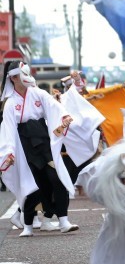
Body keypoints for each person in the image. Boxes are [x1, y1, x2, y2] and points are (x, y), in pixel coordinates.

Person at [0, 61, 78, 237]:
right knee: (33, 185)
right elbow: (9, 130)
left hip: (43, 141)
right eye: (22, 74)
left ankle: (63, 220)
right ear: (13, 78)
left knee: (55, 178)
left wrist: (63, 117)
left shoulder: (38, 93)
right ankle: (27, 225)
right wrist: (10, 152)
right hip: (23, 146)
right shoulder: (11, 104)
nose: (28, 77)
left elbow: (54, 106)